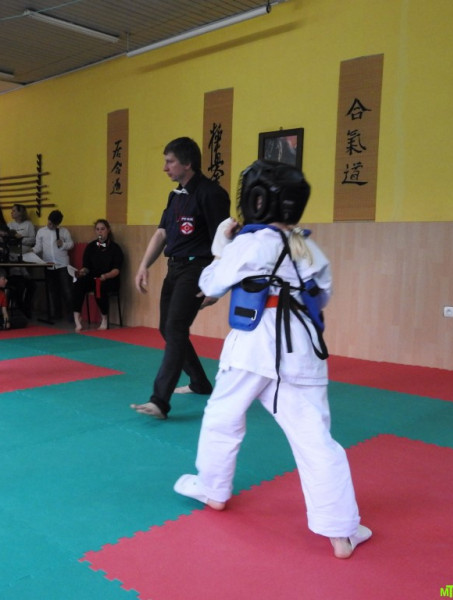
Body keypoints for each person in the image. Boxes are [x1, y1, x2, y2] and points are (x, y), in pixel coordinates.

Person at [173, 160, 372, 559]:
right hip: (301, 350)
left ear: (256, 200)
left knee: (222, 417)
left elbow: (211, 284)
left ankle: (213, 489)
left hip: (252, 346)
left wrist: (220, 247)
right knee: (315, 440)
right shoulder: (308, 247)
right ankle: (341, 532)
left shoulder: (251, 243)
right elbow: (322, 296)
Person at [131, 137, 230, 420]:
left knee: (175, 327)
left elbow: (224, 241)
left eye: (170, 161)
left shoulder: (211, 194)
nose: (165, 168)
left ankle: (159, 401)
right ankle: (199, 382)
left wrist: (218, 287)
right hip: (174, 268)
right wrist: (144, 265)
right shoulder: (176, 195)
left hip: (197, 269)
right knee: (167, 327)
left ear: (187, 163)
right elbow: (162, 233)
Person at [71, 219, 124, 332]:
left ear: (108, 230)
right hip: (93, 277)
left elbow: (116, 270)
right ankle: (77, 317)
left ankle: (104, 318)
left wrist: (105, 276)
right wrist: (82, 271)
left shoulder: (115, 248)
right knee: (78, 283)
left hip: (109, 279)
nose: (100, 232)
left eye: (102, 229)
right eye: (98, 229)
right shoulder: (91, 247)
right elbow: (86, 267)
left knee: (99, 286)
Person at [34, 209, 74, 321]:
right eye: (49, 222)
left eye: (53, 224)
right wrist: (31, 251)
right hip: (48, 264)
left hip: (62, 264)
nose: (50, 225)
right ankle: (56, 313)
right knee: (52, 291)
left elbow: (71, 244)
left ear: (58, 223)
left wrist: (63, 244)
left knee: (67, 290)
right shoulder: (41, 232)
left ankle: (72, 314)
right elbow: (38, 247)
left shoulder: (64, 231)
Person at [6, 204, 37, 317]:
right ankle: (19, 309)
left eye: (14, 210)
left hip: (26, 257)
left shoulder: (28, 224)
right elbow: (7, 239)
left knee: (31, 285)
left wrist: (20, 239)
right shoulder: (9, 225)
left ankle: (26, 307)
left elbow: (33, 240)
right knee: (18, 285)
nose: (12, 213)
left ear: (20, 212)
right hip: (13, 259)